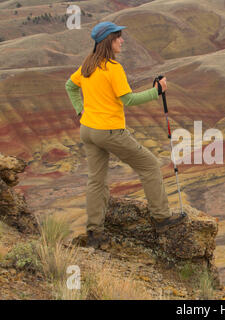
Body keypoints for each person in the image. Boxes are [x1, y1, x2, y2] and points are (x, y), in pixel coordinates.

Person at [65, 21, 187, 249]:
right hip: (108, 131)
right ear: (108, 41)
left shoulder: (87, 66)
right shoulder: (113, 68)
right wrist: (157, 91)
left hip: (88, 130)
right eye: (118, 37)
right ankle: (161, 218)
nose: (122, 40)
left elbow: (69, 86)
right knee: (150, 165)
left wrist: (80, 109)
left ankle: (94, 233)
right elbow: (128, 99)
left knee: (96, 180)